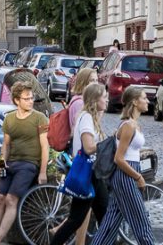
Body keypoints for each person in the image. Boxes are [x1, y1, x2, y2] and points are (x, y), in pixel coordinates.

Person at [0, 81, 49, 245]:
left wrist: (42, 171)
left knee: (11, 200)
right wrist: (1, 162)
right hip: (10, 163)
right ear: (16, 100)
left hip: (28, 164)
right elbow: (6, 144)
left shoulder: (39, 117)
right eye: (26, 98)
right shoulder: (10, 119)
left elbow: (45, 145)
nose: (30, 101)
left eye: (31, 98)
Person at [90, 86, 155, 245]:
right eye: (144, 97)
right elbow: (119, 158)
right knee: (141, 221)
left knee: (110, 223)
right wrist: (138, 176)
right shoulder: (128, 126)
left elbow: (128, 153)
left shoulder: (133, 124)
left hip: (127, 174)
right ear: (134, 101)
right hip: (125, 176)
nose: (147, 101)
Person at [50, 82, 110, 245]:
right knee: (75, 220)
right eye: (104, 97)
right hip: (87, 174)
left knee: (105, 218)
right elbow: (89, 147)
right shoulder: (86, 119)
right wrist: (109, 145)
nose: (107, 100)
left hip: (94, 174)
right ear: (95, 100)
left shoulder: (90, 117)